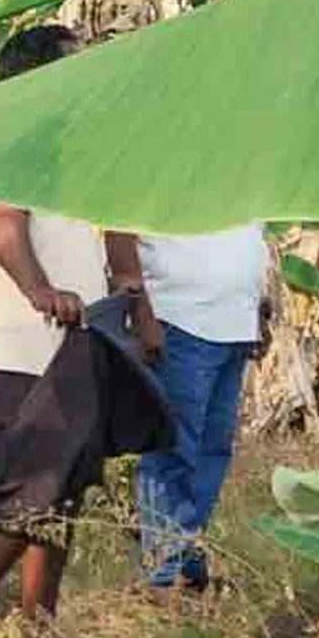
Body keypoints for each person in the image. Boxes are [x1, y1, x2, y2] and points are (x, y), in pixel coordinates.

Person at [0, 25, 119, 622]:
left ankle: (37, 624)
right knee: (31, 488)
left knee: (61, 492)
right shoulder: (6, 137)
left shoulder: (64, 146)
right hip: (9, 342)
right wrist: (40, 290)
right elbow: (2, 222)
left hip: (64, 342)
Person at [107, 224, 271, 592]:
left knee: (213, 451)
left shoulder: (245, 170)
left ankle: (189, 563)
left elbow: (251, 239)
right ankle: (163, 574)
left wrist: (258, 306)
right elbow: (118, 231)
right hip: (180, 320)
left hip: (233, 321)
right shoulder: (156, 166)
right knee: (173, 451)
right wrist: (142, 313)